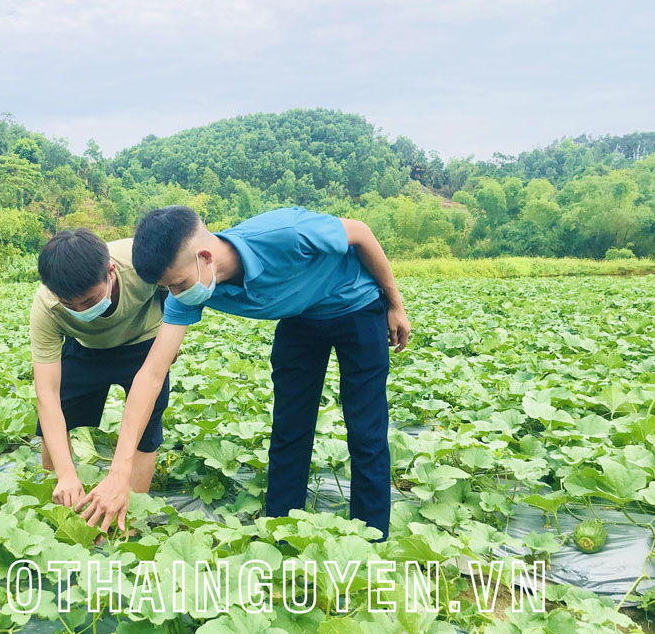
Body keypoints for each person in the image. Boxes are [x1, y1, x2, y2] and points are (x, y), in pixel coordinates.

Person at [75, 205, 410, 542]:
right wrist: (119, 472)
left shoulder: (286, 232)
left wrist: (395, 304)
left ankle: (371, 538)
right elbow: (150, 374)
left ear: (205, 257)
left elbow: (361, 233)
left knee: (365, 429)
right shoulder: (186, 289)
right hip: (300, 317)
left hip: (356, 305)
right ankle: (281, 532)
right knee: (289, 429)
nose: (175, 295)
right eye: (168, 289)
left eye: (177, 285)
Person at [31, 228, 169, 509]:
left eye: (90, 301)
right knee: (58, 416)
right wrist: (67, 474)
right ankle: (64, 507)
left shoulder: (143, 262)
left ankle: (128, 518)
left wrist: (169, 338)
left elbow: (173, 290)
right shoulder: (47, 306)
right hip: (84, 347)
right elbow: (47, 394)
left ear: (111, 271)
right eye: (71, 304)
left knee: (146, 428)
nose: (82, 311)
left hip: (144, 341)